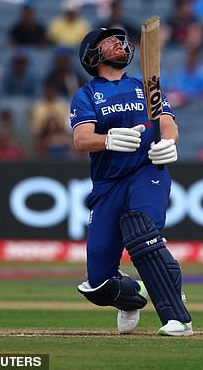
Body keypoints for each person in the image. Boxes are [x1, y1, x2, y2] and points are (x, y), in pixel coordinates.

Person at [71, 27, 192, 336]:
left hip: (146, 170)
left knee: (141, 231)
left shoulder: (143, 86)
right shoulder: (86, 94)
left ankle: (177, 316)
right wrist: (107, 139)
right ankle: (133, 296)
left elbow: (167, 123)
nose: (119, 43)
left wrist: (169, 142)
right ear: (92, 53)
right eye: (109, 41)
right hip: (108, 183)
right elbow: (82, 139)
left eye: (120, 39)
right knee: (97, 283)